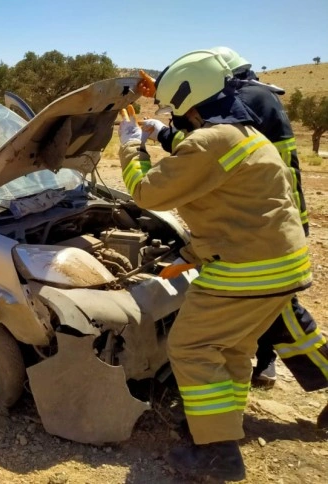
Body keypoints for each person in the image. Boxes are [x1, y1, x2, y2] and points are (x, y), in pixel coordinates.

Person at [119, 50, 312, 481]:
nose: (177, 117)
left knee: (191, 347)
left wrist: (132, 144)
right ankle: (219, 430)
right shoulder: (241, 134)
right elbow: (235, 211)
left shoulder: (212, 141)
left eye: (176, 110)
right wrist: (189, 255)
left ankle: (217, 455)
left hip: (248, 269)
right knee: (234, 350)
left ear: (191, 99)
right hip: (282, 265)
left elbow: (148, 194)